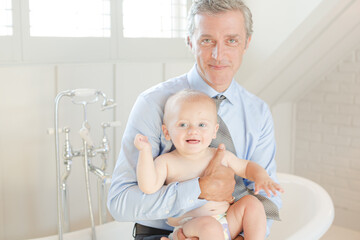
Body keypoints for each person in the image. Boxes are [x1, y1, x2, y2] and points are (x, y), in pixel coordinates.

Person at [107, 0, 282, 239]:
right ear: (190, 42)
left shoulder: (258, 112)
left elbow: (267, 193)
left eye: (231, 40)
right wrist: (197, 189)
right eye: (207, 40)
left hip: (234, 228)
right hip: (166, 233)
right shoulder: (153, 103)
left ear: (246, 43)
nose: (219, 55)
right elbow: (119, 203)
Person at [134, 90, 284, 240]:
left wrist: (261, 175)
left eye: (202, 124)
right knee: (209, 226)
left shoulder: (219, 155)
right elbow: (148, 186)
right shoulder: (166, 162)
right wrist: (145, 152)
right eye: (183, 124)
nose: (193, 130)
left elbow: (245, 167)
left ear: (214, 131)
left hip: (226, 220)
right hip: (192, 227)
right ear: (167, 132)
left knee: (252, 203)